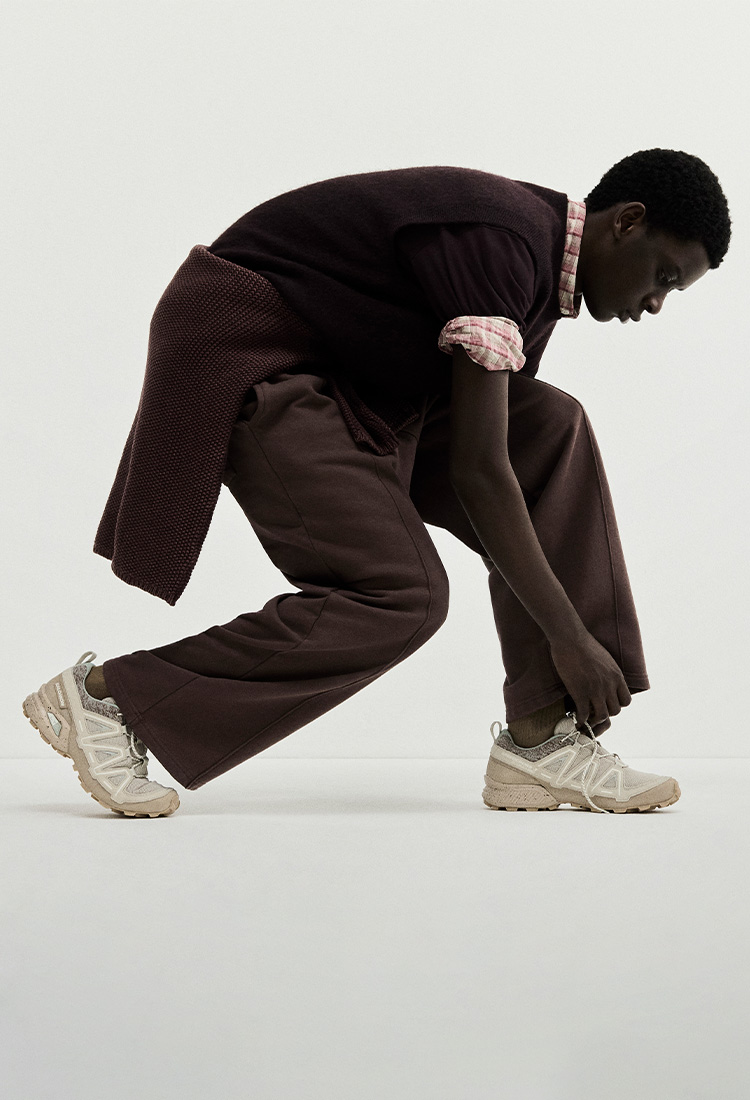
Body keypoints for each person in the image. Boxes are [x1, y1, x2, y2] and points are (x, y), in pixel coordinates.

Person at [23, 149, 731, 818]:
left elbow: (498, 457)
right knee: (402, 596)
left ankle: (543, 740)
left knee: (548, 428)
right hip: (258, 347)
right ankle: (110, 701)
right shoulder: (502, 242)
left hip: (361, 373)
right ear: (626, 221)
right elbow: (480, 471)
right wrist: (570, 637)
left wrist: (569, 636)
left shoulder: (539, 265)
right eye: (665, 276)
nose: (657, 303)